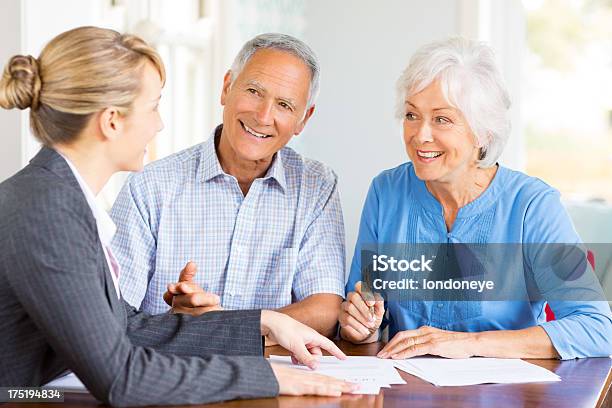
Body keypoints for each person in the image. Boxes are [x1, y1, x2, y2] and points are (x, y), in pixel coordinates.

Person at [0, 26, 357, 406]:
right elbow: (122, 377)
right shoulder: (49, 211)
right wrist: (263, 375)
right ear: (111, 121)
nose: (159, 124)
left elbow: (127, 326)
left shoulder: (56, 198)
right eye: (153, 107)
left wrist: (262, 322)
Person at [339, 37, 612, 360]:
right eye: (412, 115)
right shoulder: (385, 192)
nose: (420, 135)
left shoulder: (533, 206)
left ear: (483, 132)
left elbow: (596, 328)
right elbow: (364, 303)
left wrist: (468, 344)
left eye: (441, 119)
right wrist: (361, 324)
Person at [110, 33, 344, 338]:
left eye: (285, 105)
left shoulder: (317, 186)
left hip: (275, 378)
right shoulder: (150, 186)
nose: (263, 116)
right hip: (171, 373)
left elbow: (324, 309)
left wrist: (220, 329)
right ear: (226, 88)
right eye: (254, 91)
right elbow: (111, 315)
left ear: (303, 119)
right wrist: (177, 321)